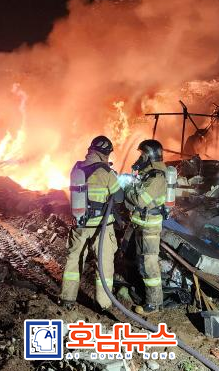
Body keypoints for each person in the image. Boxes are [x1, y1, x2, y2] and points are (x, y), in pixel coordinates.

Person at [60, 135, 123, 311]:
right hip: (101, 227)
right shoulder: (106, 172)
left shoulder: (77, 168)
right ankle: (103, 304)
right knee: (104, 265)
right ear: (105, 153)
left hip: (79, 225)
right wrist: (115, 179)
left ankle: (67, 298)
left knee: (74, 261)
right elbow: (119, 197)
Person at [124, 139, 168, 315]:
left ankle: (154, 303)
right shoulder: (148, 174)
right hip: (141, 224)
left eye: (142, 154)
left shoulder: (157, 177)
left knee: (149, 264)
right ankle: (139, 289)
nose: (139, 157)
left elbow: (140, 200)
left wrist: (127, 188)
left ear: (149, 156)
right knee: (137, 259)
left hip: (150, 227)